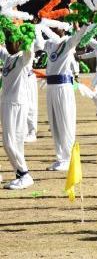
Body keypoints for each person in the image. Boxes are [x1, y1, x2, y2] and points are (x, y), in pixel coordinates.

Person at [41, 24, 90, 171]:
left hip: (64, 87)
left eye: (58, 27)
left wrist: (83, 25)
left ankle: (68, 158)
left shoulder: (68, 42)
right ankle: (60, 157)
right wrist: (39, 26)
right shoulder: (49, 44)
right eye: (53, 27)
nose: (55, 29)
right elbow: (37, 42)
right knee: (55, 123)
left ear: (64, 29)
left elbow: (78, 37)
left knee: (65, 122)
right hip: (51, 87)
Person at [1, 21, 39, 189]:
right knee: (14, 142)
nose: (9, 44)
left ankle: (24, 174)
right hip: (8, 104)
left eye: (12, 41)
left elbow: (29, 51)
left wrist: (26, 40)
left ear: (19, 43)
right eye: (7, 41)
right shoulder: (9, 58)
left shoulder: (23, 58)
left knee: (9, 142)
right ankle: (20, 174)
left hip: (16, 104)